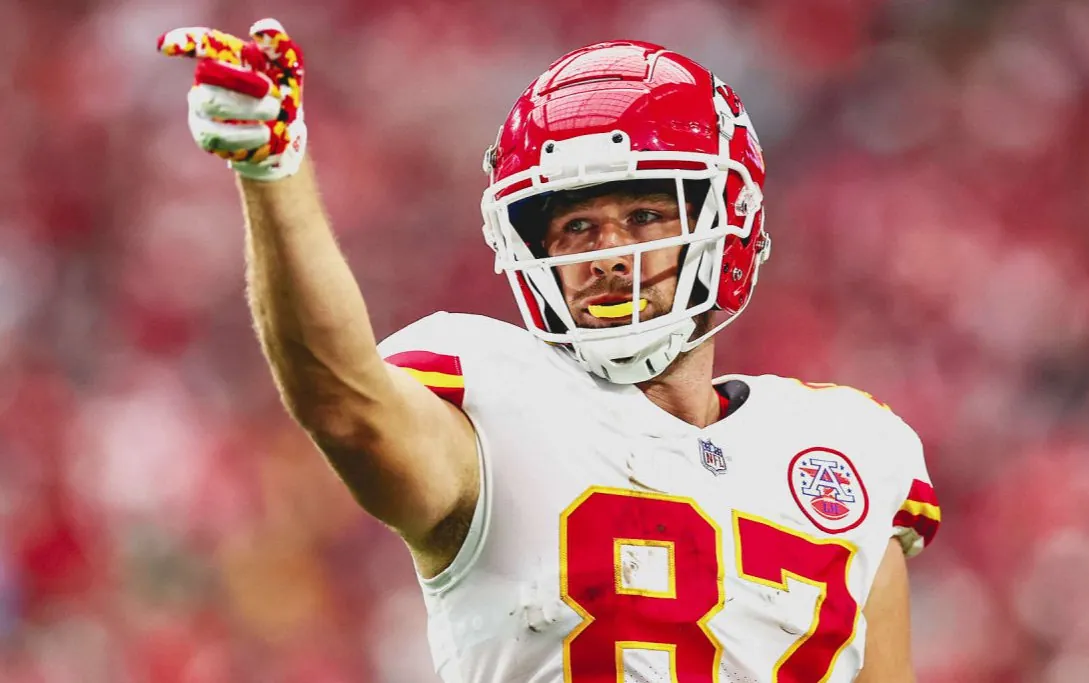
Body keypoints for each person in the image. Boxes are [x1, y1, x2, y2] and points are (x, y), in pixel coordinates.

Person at [158, 18, 941, 683]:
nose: (607, 253)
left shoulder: (848, 452)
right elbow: (344, 403)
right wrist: (274, 175)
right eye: (575, 227)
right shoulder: (497, 410)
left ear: (727, 221)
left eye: (644, 215)